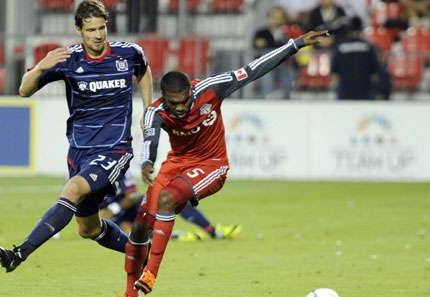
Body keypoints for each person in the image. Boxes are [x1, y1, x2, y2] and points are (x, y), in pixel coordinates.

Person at [120, 30, 329, 297]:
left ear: (191, 91)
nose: (181, 108)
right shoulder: (156, 111)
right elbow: (150, 139)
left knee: (167, 201)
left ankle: (151, 273)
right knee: (140, 225)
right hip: (176, 163)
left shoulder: (211, 88)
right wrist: (147, 162)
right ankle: (129, 293)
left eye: (185, 101)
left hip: (212, 164)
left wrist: (295, 44)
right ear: (165, 99)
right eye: (175, 104)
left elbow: (252, 70)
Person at [0, 0, 153, 273]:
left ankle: (19, 253)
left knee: (72, 190)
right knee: (88, 229)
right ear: (79, 30)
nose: (99, 35)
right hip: (79, 151)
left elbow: (144, 71)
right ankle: (139, 252)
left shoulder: (128, 54)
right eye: (91, 30)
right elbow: (24, 90)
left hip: (115, 149)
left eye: (102, 28)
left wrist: (148, 108)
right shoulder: (68, 59)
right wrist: (41, 66)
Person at [99, 169, 242, 240]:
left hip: (134, 208)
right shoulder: (90, 174)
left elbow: (133, 195)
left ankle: (212, 231)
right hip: (117, 219)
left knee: (173, 199)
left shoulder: (121, 169)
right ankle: (169, 236)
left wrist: (113, 208)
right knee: (130, 233)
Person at [331, 17, 391, 100]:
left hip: (344, 95)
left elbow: (334, 73)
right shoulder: (369, 48)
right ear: (361, 29)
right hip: (365, 95)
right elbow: (378, 71)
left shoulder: (339, 48)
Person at [252, 6, 294, 99]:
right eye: (273, 16)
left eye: (279, 17)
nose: (275, 19)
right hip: (265, 64)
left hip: (283, 63)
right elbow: (256, 44)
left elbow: (288, 46)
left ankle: (286, 97)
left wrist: (268, 43)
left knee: (287, 71)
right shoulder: (261, 32)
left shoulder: (287, 32)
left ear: (283, 19)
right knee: (266, 71)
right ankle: (267, 96)